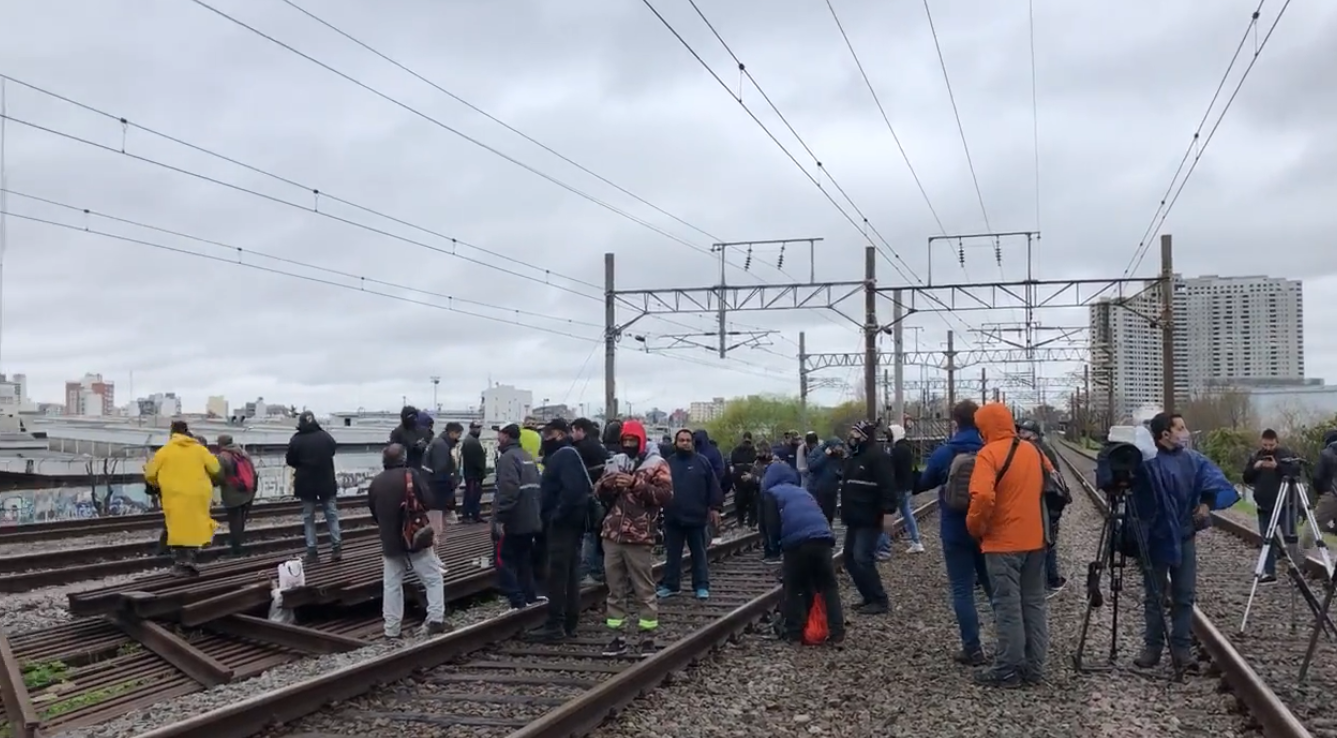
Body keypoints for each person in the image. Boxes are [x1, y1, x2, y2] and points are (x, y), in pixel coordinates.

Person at [1131, 412, 1234, 670]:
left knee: (1185, 595)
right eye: (1180, 427)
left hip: (1185, 534)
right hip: (1156, 537)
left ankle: (1181, 651)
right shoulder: (1147, 462)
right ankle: (1152, 648)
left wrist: (1205, 505)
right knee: (1154, 595)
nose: (1185, 432)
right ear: (1165, 433)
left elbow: (1210, 483)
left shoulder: (1193, 460)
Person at [966, 403, 1054, 687]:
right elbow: (1051, 480)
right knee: (1034, 603)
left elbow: (981, 497)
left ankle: (1007, 667)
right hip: (1036, 540)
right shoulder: (1033, 450)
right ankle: (1035, 667)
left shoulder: (988, 454)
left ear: (985, 427)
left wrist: (976, 527)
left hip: (1003, 543)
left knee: (1007, 606)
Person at [916, 399, 990, 666]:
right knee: (994, 588)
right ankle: (1010, 643)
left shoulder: (945, 452)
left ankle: (972, 648)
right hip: (986, 529)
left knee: (962, 589)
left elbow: (924, 482)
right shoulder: (989, 450)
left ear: (955, 421)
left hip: (955, 529)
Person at [596, 419, 673, 656]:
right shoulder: (616, 461)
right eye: (625, 441)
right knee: (614, 589)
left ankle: (647, 638)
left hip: (639, 536)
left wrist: (635, 483)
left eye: (632, 440)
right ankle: (616, 638)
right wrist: (607, 485)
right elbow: (597, 490)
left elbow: (665, 496)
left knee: (644, 590)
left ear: (640, 441)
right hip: (612, 534)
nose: (628, 444)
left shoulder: (657, 464)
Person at [368, 443, 449, 637]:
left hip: (390, 542)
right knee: (433, 579)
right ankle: (436, 619)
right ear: (403, 459)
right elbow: (428, 500)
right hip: (415, 539)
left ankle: (392, 629)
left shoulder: (376, 483)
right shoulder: (411, 475)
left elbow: (374, 513)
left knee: (392, 585)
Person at [527, 418, 594, 642]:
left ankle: (556, 623)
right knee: (569, 574)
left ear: (558, 434)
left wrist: (556, 517)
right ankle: (568, 621)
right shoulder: (565, 455)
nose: (544, 439)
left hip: (563, 526)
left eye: (547, 434)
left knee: (557, 574)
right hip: (567, 523)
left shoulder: (564, 455)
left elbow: (573, 492)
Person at [763, 462, 844, 644]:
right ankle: (837, 630)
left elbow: (772, 526)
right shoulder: (803, 491)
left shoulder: (772, 494)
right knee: (828, 585)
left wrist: (775, 549)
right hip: (822, 538)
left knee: (795, 586)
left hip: (797, 543)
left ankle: (795, 631)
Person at [144, 420, 220, 577]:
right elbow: (216, 468)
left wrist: (156, 483)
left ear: (172, 433)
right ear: (187, 431)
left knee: (178, 527)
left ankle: (182, 562)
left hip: (175, 494)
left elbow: (150, 474)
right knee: (194, 524)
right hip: (199, 493)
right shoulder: (199, 449)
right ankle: (190, 557)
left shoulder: (165, 451)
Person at [839, 419, 897, 615]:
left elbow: (888, 486)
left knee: (862, 557)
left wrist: (889, 512)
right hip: (855, 516)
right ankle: (868, 596)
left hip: (869, 515)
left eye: (856, 434)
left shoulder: (877, 457)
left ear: (865, 436)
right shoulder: (854, 457)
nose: (852, 437)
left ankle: (880, 599)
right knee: (849, 557)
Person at [659, 429, 723, 599]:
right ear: (676, 442)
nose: (685, 443)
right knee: (673, 554)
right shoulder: (668, 464)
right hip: (673, 517)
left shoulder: (702, 462)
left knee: (699, 554)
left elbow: (713, 486)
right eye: (682, 440)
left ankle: (701, 585)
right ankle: (671, 585)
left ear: (692, 442)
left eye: (688, 440)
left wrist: (715, 507)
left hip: (697, 517)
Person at [492, 424, 543, 609]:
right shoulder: (526, 456)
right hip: (531, 517)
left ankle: (516, 599)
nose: (498, 437)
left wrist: (500, 517)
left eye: (500, 434)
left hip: (514, 519)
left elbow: (508, 490)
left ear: (506, 435)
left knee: (501, 559)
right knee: (523, 558)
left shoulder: (508, 458)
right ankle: (529, 595)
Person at [1016, 418, 1068, 597]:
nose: (1019, 435)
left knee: (1046, 540)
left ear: (1034, 435)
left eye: (1023, 432)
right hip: (1044, 501)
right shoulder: (1038, 449)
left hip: (1045, 501)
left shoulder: (1035, 450)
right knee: (1047, 539)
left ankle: (1050, 579)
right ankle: (1050, 579)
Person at [286, 411, 342, 564]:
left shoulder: (296, 439)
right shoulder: (325, 436)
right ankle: (336, 547)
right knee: (331, 514)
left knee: (308, 517)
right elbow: (333, 449)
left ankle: (312, 551)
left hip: (306, 483)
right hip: (326, 481)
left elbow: (290, 460)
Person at [1242, 428, 1297, 584]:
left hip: (1285, 504)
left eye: (1271, 445)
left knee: (1290, 537)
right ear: (1261, 442)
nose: (1268, 448)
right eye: (1265, 445)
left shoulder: (1286, 455)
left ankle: (1295, 570)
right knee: (1267, 539)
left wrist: (1277, 467)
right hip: (1264, 505)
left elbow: (1295, 472)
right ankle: (1269, 571)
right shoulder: (1255, 457)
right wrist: (1256, 467)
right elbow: (1246, 477)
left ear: (1277, 443)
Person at [572, 417, 610, 585]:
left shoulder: (581, 449)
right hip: (603, 496)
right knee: (598, 533)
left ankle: (588, 571)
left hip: (590, 496)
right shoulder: (599, 446)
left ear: (581, 431)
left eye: (573, 431)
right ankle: (600, 569)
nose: (571, 434)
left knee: (589, 534)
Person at [876, 424, 921, 560]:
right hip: (906, 487)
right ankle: (916, 541)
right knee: (907, 513)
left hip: (898, 488)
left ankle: (884, 549)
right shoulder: (906, 448)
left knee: (887, 517)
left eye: (889, 434)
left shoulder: (897, 451)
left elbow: (890, 468)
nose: (887, 437)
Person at [214, 434, 256, 556]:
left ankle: (236, 548)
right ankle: (238, 543)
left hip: (232, 495)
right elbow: (252, 471)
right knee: (240, 521)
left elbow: (219, 477)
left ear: (221, 444)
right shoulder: (243, 453)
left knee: (234, 522)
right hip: (247, 492)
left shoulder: (222, 457)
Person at [423, 420, 460, 535]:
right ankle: (434, 547)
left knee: (438, 521)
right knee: (436, 524)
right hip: (437, 490)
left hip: (433, 488)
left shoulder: (439, 443)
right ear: (452, 433)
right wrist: (451, 482)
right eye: (458, 434)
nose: (458, 437)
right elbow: (441, 469)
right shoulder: (442, 446)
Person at [1304, 430, 1337, 550]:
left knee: (1313, 523)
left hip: (1331, 495)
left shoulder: (1326, 453)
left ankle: (1301, 557)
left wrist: (1322, 492)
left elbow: (1317, 477)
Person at [754, 443, 783, 564]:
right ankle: (767, 551)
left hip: (772, 496)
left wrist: (753, 478)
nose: (758, 455)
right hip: (761, 496)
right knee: (763, 525)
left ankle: (775, 551)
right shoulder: (757, 464)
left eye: (760, 452)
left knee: (772, 525)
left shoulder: (776, 464)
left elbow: (770, 480)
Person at [805, 437, 843, 525]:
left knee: (829, 515)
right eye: (838, 447)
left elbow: (842, 468)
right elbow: (812, 467)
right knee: (818, 514)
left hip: (831, 490)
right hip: (817, 490)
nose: (840, 449)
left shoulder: (839, 455)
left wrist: (840, 474)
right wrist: (825, 455)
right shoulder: (817, 452)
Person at [460, 421, 488, 524]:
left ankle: (475, 515)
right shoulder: (471, 442)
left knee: (475, 495)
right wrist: (481, 471)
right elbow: (475, 460)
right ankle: (467, 516)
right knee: (471, 495)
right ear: (471, 428)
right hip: (473, 475)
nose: (478, 430)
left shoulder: (472, 440)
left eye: (479, 428)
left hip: (474, 474)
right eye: (476, 428)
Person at [729, 432, 759, 528]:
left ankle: (752, 522)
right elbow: (732, 466)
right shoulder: (736, 451)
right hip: (739, 481)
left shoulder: (754, 451)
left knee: (753, 503)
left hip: (751, 482)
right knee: (739, 502)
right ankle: (741, 521)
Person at [389, 405, 431, 471]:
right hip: (403, 467)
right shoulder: (397, 432)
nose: (414, 419)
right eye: (411, 417)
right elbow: (393, 450)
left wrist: (424, 444)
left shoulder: (423, 430)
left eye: (415, 417)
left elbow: (428, 441)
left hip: (420, 465)